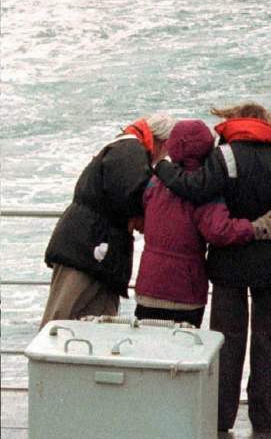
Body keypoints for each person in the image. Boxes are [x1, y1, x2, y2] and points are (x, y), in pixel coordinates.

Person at [153, 102, 271, 432]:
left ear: (235, 123)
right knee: (267, 340)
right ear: (266, 123)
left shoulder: (224, 157)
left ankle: (222, 418)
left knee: (228, 340)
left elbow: (196, 190)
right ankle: (262, 416)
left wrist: (162, 167)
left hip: (228, 265)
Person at [134, 119, 271, 328]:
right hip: (184, 289)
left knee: (147, 352)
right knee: (181, 352)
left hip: (148, 283)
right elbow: (219, 231)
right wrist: (258, 228)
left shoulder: (154, 183)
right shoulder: (205, 192)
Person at [42, 113, 175, 327]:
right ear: (163, 142)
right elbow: (132, 193)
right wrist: (143, 216)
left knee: (95, 323)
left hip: (95, 249)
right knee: (60, 320)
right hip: (87, 248)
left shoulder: (123, 147)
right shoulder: (131, 150)